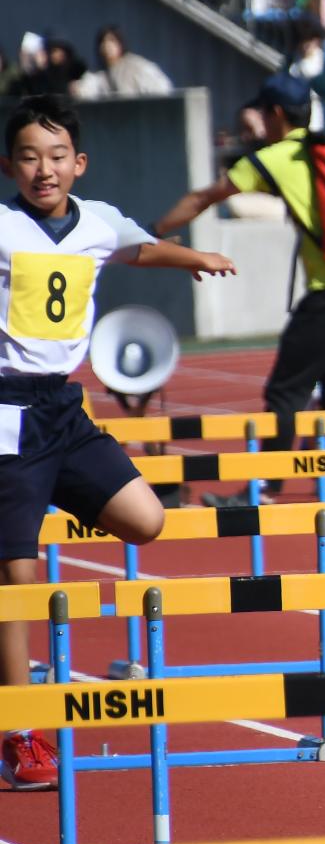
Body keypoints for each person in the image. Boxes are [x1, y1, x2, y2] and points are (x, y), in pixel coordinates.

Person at [0, 95, 235, 790]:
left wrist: (194, 256)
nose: (44, 169)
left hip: (64, 412)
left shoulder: (96, 221)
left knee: (145, 517)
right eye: (28, 156)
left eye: (56, 155)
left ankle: (51, 499)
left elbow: (140, 246)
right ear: (8, 164)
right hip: (7, 412)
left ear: (79, 162)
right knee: (18, 584)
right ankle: (20, 735)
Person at [153, 75, 325, 503]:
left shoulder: (275, 157)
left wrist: (152, 233)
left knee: (285, 391)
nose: (260, 118)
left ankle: (264, 487)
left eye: (263, 111)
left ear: (276, 114)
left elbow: (206, 196)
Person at [73, 26, 171, 100]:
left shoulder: (136, 65)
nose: (107, 46)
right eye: (103, 42)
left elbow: (161, 87)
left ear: (120, 44)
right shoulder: (99, 74)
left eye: (111, 40)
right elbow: (87, 90)